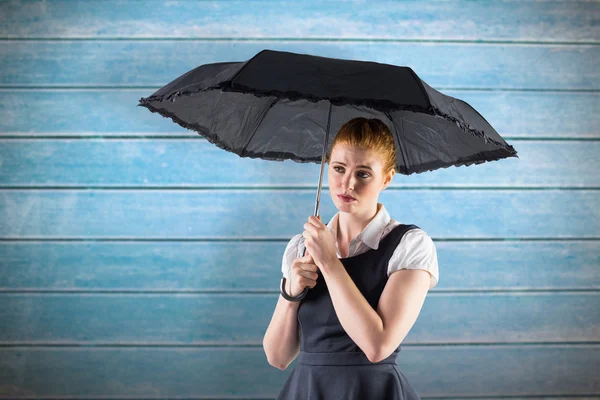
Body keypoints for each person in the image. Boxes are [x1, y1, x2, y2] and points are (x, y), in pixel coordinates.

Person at [263, 117, 439, 399]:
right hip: (307, 390)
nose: (347, 184)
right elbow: (277, 357)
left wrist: (330, 264)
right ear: (327, 167)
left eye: (364, 174)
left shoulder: (409, 245)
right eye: (339, 169)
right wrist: (291, 292)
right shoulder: (301, 247)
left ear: (387, 178)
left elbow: (377, 346)